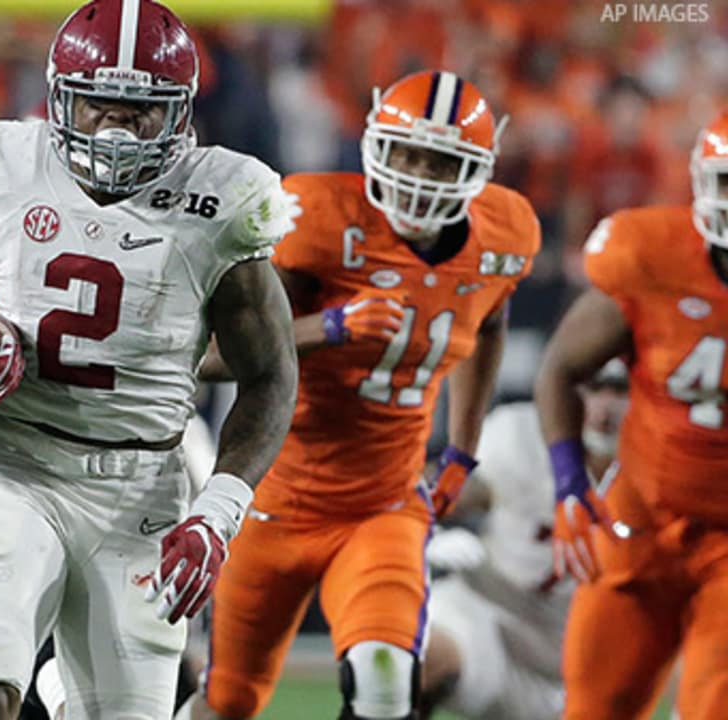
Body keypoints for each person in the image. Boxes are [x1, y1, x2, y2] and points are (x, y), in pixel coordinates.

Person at [0, 0, 300, 717]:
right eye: (99, 103)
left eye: (140, 110)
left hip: (143, 492)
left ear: (179, 112)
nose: (116, 127)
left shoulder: (225, 198)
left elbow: (269, 373)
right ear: (58, 98)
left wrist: (217, 512)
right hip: (15, 468)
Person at [185, 70, 541, 720]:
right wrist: (332, 326)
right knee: (229, 698)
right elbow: (207, 359)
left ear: (477, 170)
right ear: (375, 141)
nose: (415, 172)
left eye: (438, 159)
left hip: (383, 506)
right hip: (276, 499)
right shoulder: (313, 218)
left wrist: (462, 451)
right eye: (404, 152)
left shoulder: (504, 235)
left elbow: (489, 321)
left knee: (386, 679)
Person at [534, 110, 728, 720]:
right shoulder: (650, 255)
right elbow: (560, 369)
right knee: (594, 707)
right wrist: (569, 483)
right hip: (639, 525)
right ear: (702, 182)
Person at [420, 361, 629, 720]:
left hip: (576, 662)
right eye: (594, 387)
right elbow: (453, 489)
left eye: (620, 390)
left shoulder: (664, 466)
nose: (605, 405)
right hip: (487, 616)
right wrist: (418, 522)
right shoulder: (521, 434)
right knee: (415, 659)